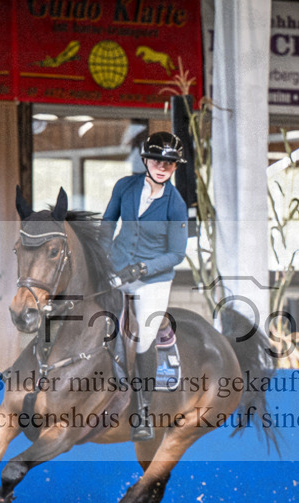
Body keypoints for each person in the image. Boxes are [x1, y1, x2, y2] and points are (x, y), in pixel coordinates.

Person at [102, 131, 188, 441]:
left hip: (152, 279)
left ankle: (143, 410)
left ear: (175, 167)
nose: (163, 167)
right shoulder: (124, 186)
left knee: (143, 338)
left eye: (170, 163)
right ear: (145, 161)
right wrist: (103, 257)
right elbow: (108, 223)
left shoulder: (176, 204)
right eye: (157, 161)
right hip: (116, 268)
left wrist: (142, 268)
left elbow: (177, 254)